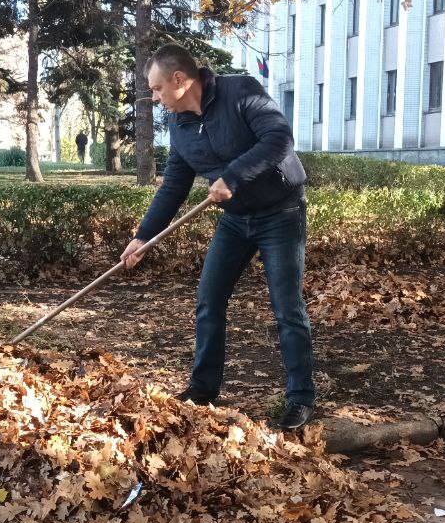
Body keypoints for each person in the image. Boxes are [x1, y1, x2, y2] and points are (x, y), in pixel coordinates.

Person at [120, 44, 315, 431]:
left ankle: (300, 398)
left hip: (281, 212)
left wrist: (234, 175)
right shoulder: (180, 125)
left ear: (180, 80)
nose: (156, 99)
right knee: (208, 300)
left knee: (287, 307)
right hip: (235, 220)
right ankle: (203, 389)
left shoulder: (241, 90)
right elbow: (174, 185)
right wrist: (143, 236)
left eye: (158, 89)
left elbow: (278, 140)